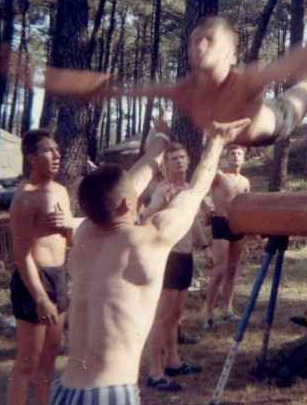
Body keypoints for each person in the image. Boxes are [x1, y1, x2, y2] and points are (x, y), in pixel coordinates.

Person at [49, 115, 251, 405]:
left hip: (64, 391)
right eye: (133, 195)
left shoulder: (84, 236)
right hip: (110, 394)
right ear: (127, 203)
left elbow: (126, 185)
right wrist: (216, 142)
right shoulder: (147, 239)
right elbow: (194, 191)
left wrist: (160, 141)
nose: (137, 191)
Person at [36, 0, 307, 147]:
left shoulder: (246, 79)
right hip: (248, 123)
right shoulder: (182, 91)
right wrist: (43, 77)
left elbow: (288, 64)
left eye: (210, 39)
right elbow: (109, 87)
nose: (200, 45)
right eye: (194, 40)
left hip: (277, 118)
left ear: (232, 52)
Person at [7, 129, 76, 405]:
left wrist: (68, 226)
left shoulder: (61, 190)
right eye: (49, 151)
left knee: (50, 357)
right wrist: (41, 299)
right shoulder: (24, 198)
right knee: (28, 361)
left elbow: (70, 241)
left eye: (57, 150)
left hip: (57, 277)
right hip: (33, 282)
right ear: (32, 158)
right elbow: (21, 255)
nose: (57, 155)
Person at [142, 142, 213, 392]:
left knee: (175, 315)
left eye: (182, 157)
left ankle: (173, 361)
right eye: (173, 159)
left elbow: (192, 222)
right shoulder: (163, 189)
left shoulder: (187, 190)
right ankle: (155, 370)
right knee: (162, 317)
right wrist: (160, 205)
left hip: (185, 255)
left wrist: (205, 247)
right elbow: (145, 218)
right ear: (166, 164)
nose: (179, 162)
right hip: (168, 257)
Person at [203, 145, 250, 331]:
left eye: (239, 154)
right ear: (227, 157)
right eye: (232, 154)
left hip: (238, 226)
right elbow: (199, 189)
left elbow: (247, 206)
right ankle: (208, 317)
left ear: (244, 158)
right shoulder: (219, 176)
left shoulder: (245, 181)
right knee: (219, 270)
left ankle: (227, 310)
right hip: (221, 223)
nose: (236, 157)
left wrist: (252, 230)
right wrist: (207, 211)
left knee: (233, 269)